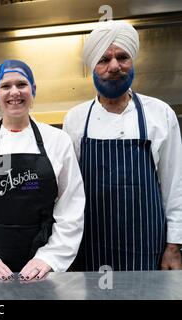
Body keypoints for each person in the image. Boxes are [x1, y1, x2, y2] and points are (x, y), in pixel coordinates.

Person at [63, 20, 182, 271]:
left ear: (132, 61)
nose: (114, 66)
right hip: (90, 247)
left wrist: (174, 247)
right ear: (93, 68)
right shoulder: (75, 119)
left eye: (122, 57)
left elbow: (174, 185)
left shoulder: (160, 114)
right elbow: (68, 192)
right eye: (104, 59)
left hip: (146, 247)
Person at [0, 59, 85, 281]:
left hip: (44, 267)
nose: (14, 92)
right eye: (5, 86)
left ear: (33, 90)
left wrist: (51, 257)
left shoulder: (58, 140)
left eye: (22, 85)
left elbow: (71, 206)